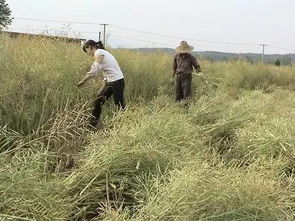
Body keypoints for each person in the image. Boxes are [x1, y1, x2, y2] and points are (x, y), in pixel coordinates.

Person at [77, 40, 125, 128]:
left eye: (86, 50)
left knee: (119, 105)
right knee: (98, 101)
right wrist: (101, 89)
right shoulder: (101, 53)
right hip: (112, 82)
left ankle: (124, 125)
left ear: (90, 47)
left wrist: (83, 80)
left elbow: (95, 69)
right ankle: (91, 126)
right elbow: (106, 76)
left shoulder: (99, 53)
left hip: (117, 82)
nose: (87, 53)